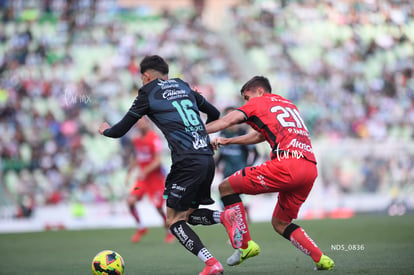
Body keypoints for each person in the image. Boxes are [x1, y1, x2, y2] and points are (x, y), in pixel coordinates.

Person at [99, 55, 242, 275]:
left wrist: (105, 130)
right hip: (206, 157)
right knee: (188, 216)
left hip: (186, 162)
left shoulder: (147, 93)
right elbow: (214, 114)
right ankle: (223, 216)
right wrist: (197, 133)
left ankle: (212, 263)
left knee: (174, 222)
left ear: (146, 77)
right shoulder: (183, 86)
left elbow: (119, 130)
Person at [189, 76, 335, 270]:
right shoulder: (288, 104)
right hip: (309, 167)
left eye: (246, 97)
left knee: (226, 187)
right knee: (281, 223)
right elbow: (260, 135)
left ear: (259, 91)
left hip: (287, 164)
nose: (246, 103)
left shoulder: (258, 101)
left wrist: (195, 132)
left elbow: (226, 121)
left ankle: (245, 245)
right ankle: (321, 259)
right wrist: (229, 141)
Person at [125, 116, 174, 244]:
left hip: (155, 181)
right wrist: (129, 173)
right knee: (130, 201)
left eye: (143, 122)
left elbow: (158, 161)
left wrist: (144, 171)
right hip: (141, 182)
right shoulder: (136, 139)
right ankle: (141, 228)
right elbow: (138, 157)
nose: (140, 124)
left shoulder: (154, 139)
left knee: (158, 207)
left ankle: (169, 231)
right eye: (138, 122)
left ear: (147, 123)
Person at [215, 106, 258, 222]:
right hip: (227, 170)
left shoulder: (243, 132)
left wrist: (249, 166)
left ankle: (246, 219)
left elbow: (254, 152)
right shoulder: (223, 133)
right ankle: (229, 220)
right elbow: (221, 154)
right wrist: (217, 165)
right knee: (224, 195)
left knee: (242, 197)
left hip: (240, 170)